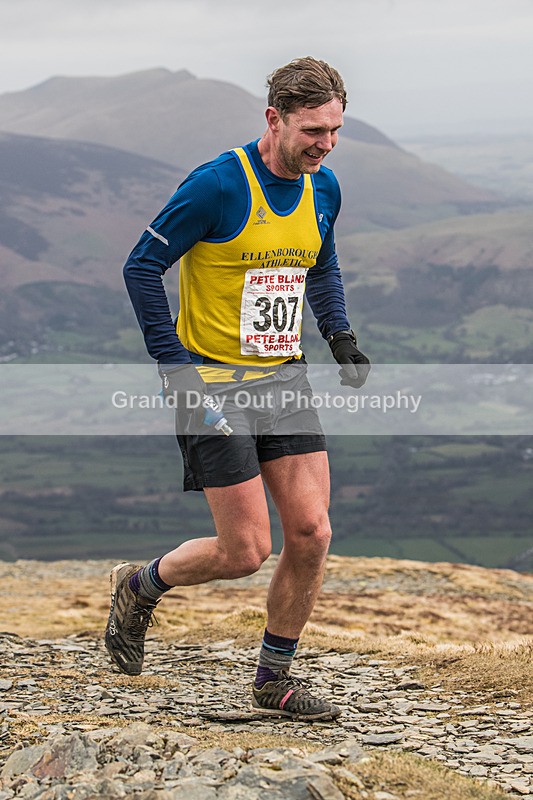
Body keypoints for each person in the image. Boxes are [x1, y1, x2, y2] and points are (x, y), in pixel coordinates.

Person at [105, 56, 370, 721]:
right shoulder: (217, 186)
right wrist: (176, 369)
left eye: (335, 129)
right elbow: (141, 268)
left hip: (282, 376)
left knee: (310, 531)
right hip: (212, 383)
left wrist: (338, 335)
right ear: (273, 118)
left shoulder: (324, 187)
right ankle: (139, 585)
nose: (325, 144)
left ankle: (271, 680)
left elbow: (322, 264)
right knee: (244, 551)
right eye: (313, 130)